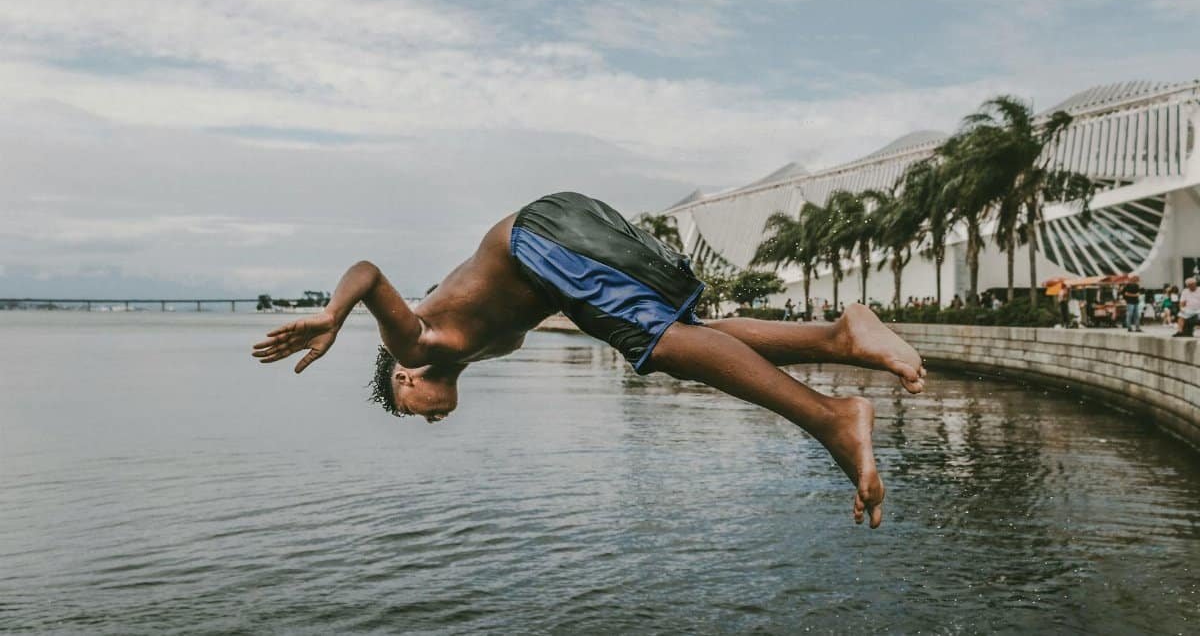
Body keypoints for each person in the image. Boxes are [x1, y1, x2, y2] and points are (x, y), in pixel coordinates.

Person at [252, 192, 926, 528]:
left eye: (412, 409)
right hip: (565, 231)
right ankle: (840, 337)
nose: (428, 420)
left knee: (658, 348)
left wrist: (333, 314)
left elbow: (369, 272)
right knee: (688, 333)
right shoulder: (482, 344)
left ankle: (833, 419)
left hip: (544, 238)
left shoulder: (419, 343)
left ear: (404, 377)